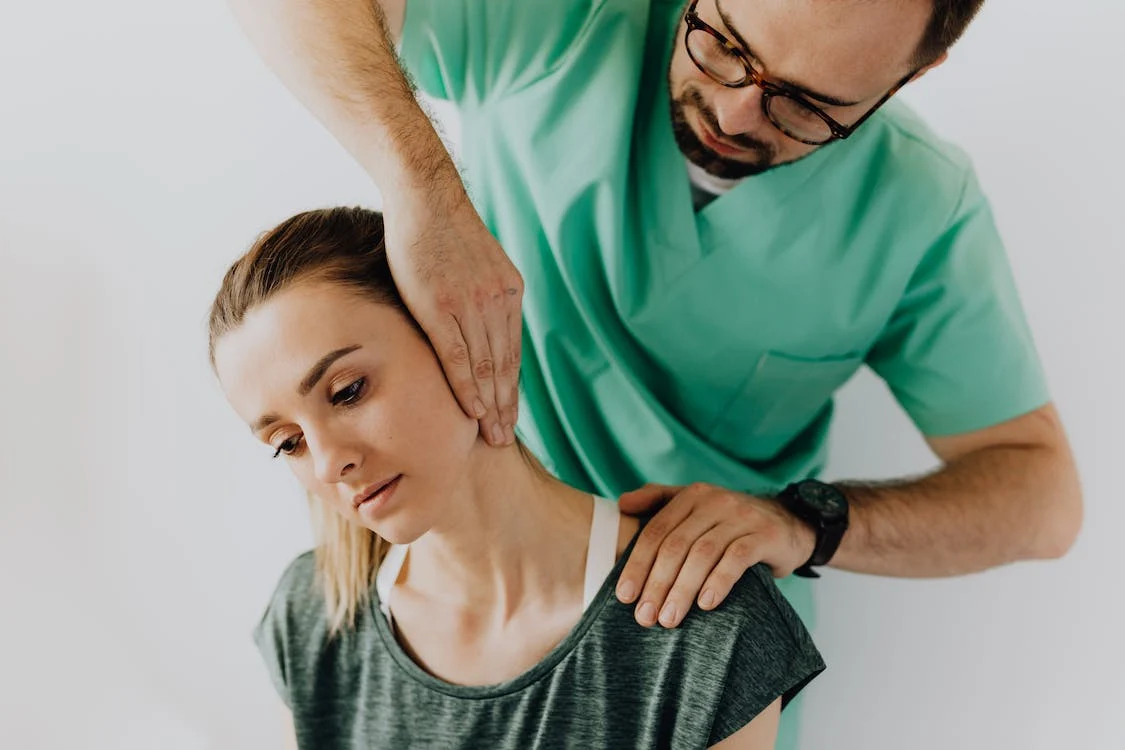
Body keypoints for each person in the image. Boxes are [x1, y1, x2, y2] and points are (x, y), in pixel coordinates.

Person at [227, 1, 1083, 746]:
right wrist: (422, 191)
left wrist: (802, 524)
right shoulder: (566, 23)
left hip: (673, 629)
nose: (740, 112)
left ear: (917, 71)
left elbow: (1040, 500)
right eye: (725, 43)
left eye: (809, 106)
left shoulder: (918, 209)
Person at [209, 206, 825, 748]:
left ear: (461, 336)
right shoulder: (313, 617)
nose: (326, 463)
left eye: (347, 391)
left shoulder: (704, 621)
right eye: (287, 443)